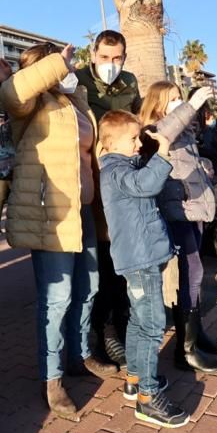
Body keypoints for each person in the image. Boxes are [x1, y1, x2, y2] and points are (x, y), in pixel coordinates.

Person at [0, 42, 116, 418]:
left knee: (89, 287)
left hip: (82, 210)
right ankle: (53, 378)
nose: (67, 69)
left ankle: (80, 355)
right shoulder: (30, 106)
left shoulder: (73, 103)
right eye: (58, 64)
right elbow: (14, 93)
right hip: (52, 212)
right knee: (58, 297)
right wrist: (52, 65)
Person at [97, 110, 188, 428]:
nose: (139, 144)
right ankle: (147, 399)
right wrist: (162, 152)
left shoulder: (118, 166)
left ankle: (135, 379)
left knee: (138, 320)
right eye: (133, 138)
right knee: (151, 325)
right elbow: (144, 184)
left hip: (140, 256)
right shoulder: (114, 170)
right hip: (141, 259)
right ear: (110, 142)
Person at [139, 82, 217, 373]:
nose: (179, 103)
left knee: (195, 272)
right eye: (173, 99)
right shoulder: (152, 128)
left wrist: (203, 163)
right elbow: (161, 135)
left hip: (194, 207)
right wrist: (190, 105)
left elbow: (183, 158)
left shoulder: (187, 132)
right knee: (188, 274)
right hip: (176, 209)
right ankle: (185, 348)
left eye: (180, 98)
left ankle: (195, 335)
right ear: (158, 102)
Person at [75, 30, 140, 369]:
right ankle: (103, 329)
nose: (111, 65)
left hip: (124, 181)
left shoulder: (130, 82)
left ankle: (120, 321)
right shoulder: (78, 79)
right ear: (93, 53)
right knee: (100, 259)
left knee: (122, 258)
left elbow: (137, 124)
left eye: (117, 58)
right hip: (92, 181)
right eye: (105, 57)